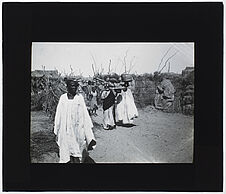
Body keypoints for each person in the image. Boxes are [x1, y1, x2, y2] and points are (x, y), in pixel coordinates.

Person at [54, 78, 96, 163]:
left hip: (77, 130)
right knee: (66, 150)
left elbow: (85, 115)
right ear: (67, 87)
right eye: (71, 86)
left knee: (77, 151)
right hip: (65, 130)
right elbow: (58, 115)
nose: (73, 88)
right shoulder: (63, 98)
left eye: (75, 86)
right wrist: (56, 129)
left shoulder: (79, 98)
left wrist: (89, 135)